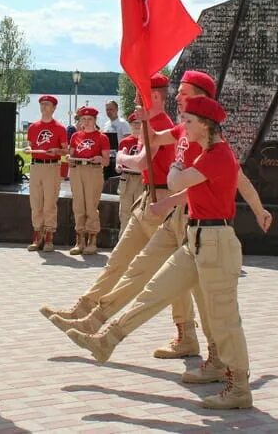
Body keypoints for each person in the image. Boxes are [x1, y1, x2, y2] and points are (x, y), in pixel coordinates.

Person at [66, 96, 260, 410]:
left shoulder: (218, 155)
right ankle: (106, 341)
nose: (184, 127)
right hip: (195, 239)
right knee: (155, 290)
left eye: (190, 121)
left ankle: (239, 386)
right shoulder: (209, 153)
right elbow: (190, 188)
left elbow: (177, 180)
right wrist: (170, 200)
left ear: (207, 125)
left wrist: (176, 163)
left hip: (216, 243)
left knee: (224, 318)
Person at [40, 73, 197, 355]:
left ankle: (186, 334)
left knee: (172, 279)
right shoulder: (155, 124)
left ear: (155, 97)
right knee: (120, 261)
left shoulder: (162, 124)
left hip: (162, 205)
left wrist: (120, 158)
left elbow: (137, 161)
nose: (135, 103)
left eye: (140, 97)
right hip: (148, 200)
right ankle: (86, 310)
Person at [24, 94, 68, 252]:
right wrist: (28, 149)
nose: (44, 107)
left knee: (49, 202)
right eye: (42, 104)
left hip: (52, 166)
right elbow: (30, 145)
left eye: (48, 104)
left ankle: (49, 235)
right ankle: (37, 234)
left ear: (54, 108)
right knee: (35, 202)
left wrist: (56, 150)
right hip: (36, 166)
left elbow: (66, 150)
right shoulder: (33, 127)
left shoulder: (59, 128)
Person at [66, 106, 110, 255]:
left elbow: (106, 161)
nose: (86, 122)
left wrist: (99, 159)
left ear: (95, 120)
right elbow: (70, 155)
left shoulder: (102, 137)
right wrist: (69, 159)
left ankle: (92, 239)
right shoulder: (75, 136)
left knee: (91, 206)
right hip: (77, 170)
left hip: (93, 170)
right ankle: (80, 240)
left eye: (90, 119)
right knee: (78, 205)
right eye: (83, 119)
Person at [115, 112, 144, 232]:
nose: (136, 126)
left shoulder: (148, 141)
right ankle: (122, 243)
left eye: (139, 123)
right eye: (134, 123)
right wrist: (118, 167)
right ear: (130, 125)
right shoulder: (124, 142)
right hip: (126, 178)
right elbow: (119, 159)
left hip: (141, 179)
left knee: (140, 212)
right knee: (125, 212)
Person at [102, 100, 131, 181]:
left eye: (111, 109)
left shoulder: (123, 123)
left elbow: (128, 141)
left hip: (118, 158)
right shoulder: (106, 124)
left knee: (116, 182)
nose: (109, 111)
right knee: (106, 182)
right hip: (108, 158)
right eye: (107, 109)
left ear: (117, 109)